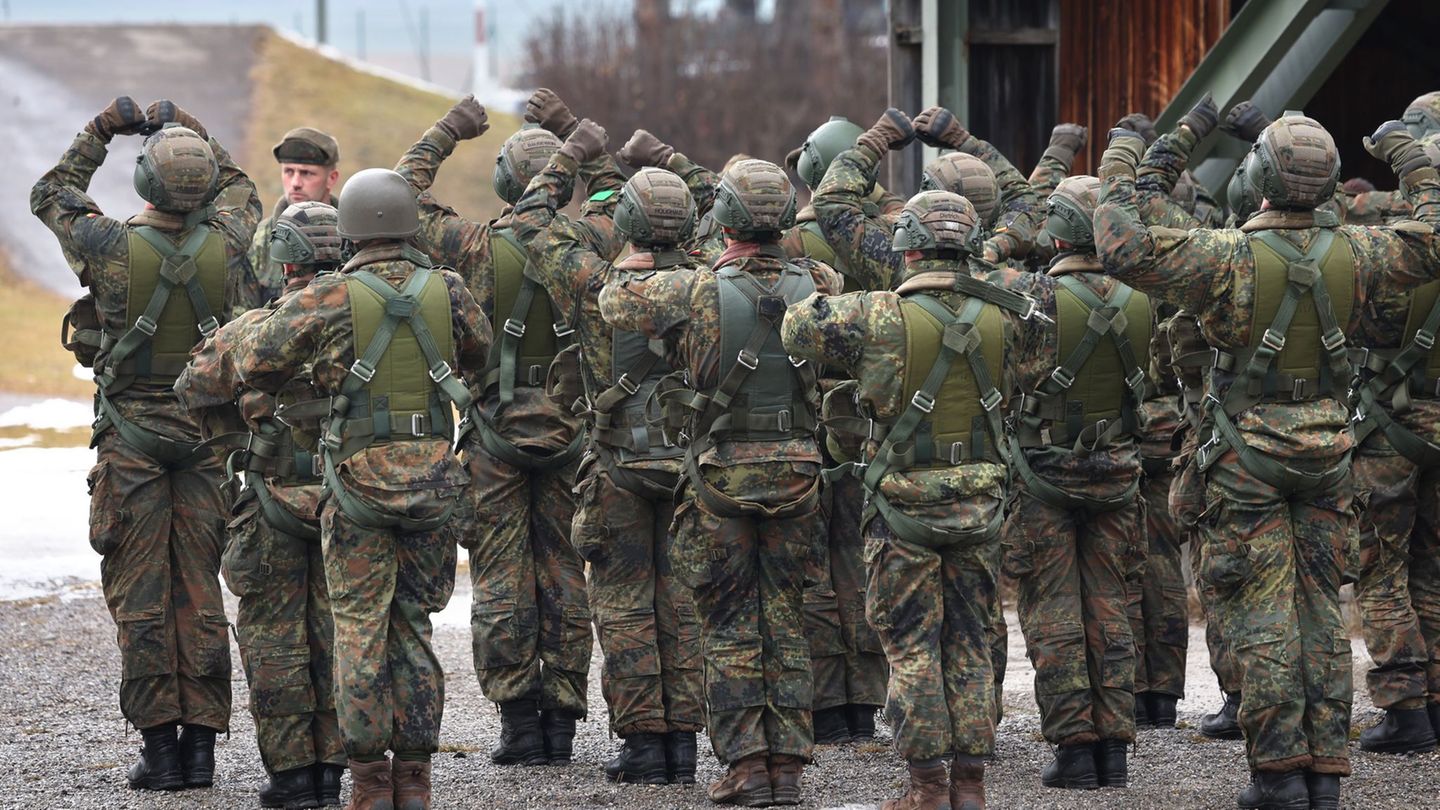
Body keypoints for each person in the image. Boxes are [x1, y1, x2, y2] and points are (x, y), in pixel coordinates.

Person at [1095, 112, 1440, 810]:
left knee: (1263, 615)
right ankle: (1325, 772)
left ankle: (1279, 774)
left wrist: (1137, 152)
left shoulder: (1224, 257)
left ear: (1258, 177)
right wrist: (1410, 157)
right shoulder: (1363, 253)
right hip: (1329, 453)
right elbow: (1433, 237)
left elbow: (1121, 242)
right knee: (1319, 615)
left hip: (1245, 459)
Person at [235, 167, 492, 810]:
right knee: (415, 626)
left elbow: (258, 357)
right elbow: (481, 354)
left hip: (358, 486)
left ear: (350, 227)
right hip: (434, 482)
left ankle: (369, 782)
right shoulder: (449, 290)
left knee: (356, 626)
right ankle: (415, 780)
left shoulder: (330, 297)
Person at [783, 189, 1042, 810]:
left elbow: (798, 327)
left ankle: (927, 788)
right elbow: (1035, 369)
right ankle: (972, 786)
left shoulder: (878, 315)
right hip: (981, 504)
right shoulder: (1010, 315)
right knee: (972, 640)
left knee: (912, 643)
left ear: (909, 247)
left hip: (902, 507)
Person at [31, 97, 260, 792]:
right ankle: (202, 755)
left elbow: (52, 191)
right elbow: (239, 182)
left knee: (141, 596)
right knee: (200, 594)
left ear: (146, 185)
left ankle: (160, 751)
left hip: (131, 444)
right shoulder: (232, 237)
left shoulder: (108, 245)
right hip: (207, 443)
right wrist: (186, 123)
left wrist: (104, 129)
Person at [600, 156, 842, 807]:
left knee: (731, 622)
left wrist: (657, 242)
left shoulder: (693, 291)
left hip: (720, 479)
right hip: (798, 474)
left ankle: (745, 766)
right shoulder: (821, 281)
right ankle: (787, 768)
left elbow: (613, 301)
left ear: (725, 219)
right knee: (786, 620)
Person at [392, 91, 606, 769]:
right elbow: (628, 196)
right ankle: (563, 723)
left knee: (500, 580)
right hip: (576, 436)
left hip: (494, 437)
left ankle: (519, 724)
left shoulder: (472, 245)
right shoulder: (594, 242)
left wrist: (449, 130)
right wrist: (573, 131)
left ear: (508, 184)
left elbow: (398, 195)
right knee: (568, 575)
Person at [511, 127, 706, 784]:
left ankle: (644, 742)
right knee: (681, 599)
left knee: (623, 605)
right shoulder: (709, 280)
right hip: (690, 470)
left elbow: (531, 217)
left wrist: (569, 153)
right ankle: (684, 741)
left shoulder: (591, 281)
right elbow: (729, 205)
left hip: (619, 467)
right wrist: (667, 157)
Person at [175, 201, 347, 808]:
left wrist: (239, 429)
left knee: (274, 640)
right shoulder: (365, 317)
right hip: (348, 501)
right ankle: (333, 771)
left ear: (283, 258)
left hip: (270, 499)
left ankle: (292, 776)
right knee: (336, 634)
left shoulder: (255, 325)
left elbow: (192, 385)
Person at [247, 127, 341, 306]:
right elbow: (242, 313)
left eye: (307, 173)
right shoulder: (259, 239)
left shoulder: (352, 237)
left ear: (331, 178)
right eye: (289, 172)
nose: (296, 183)